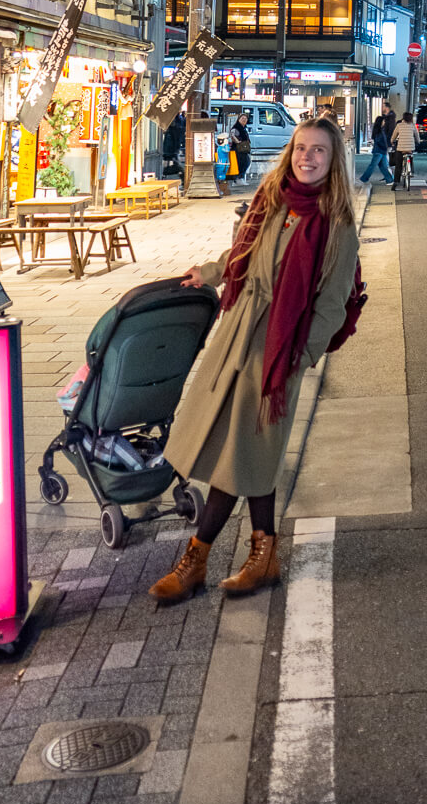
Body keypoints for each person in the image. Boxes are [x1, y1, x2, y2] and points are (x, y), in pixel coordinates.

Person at [149, 118, 361, 603]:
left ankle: (195, 559)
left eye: (319, 152)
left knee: (239, 453)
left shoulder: (337, 224)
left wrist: (299, 357)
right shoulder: (272, 199)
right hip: (238, 334)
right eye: (302, 148)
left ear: (333, 162)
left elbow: (332, 303)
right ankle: (263, 556)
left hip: (277, 349)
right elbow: (241, 253)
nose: (308, 157)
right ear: (291, 153)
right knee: (248, 453)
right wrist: (207, 273)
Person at [360, 112, 393, 184]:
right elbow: (379, 141)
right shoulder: (379, 131)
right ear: (381, 122)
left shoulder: (379, 130)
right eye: (383, 121)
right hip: (379, 151)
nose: (384, 122)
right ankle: (364, 178)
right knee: (373, 166)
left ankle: (389, 180)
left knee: (383, 166)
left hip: (380, 151)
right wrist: (385, 147)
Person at [390, 109, 417, 188]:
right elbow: (417, 136)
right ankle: (410, 171)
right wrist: (417, 142)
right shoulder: (413, 126)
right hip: (410, 147)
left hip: (401, 148)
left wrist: (392, 141)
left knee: (398, 165)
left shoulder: (399, 125)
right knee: (410, 157)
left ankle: (396, 182)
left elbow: (394, 135)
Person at [229, 112, 251, 184]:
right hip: (238, 148)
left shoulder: (244, 128)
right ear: (238, 119)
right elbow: (232, 135)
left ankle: (240, 177)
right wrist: (238, 142)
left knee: (246, 162)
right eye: (242, 118)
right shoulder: (236, 127)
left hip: (243, 149)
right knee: (241, 163)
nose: (244, 120)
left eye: (245, 118)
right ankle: (238, 178)